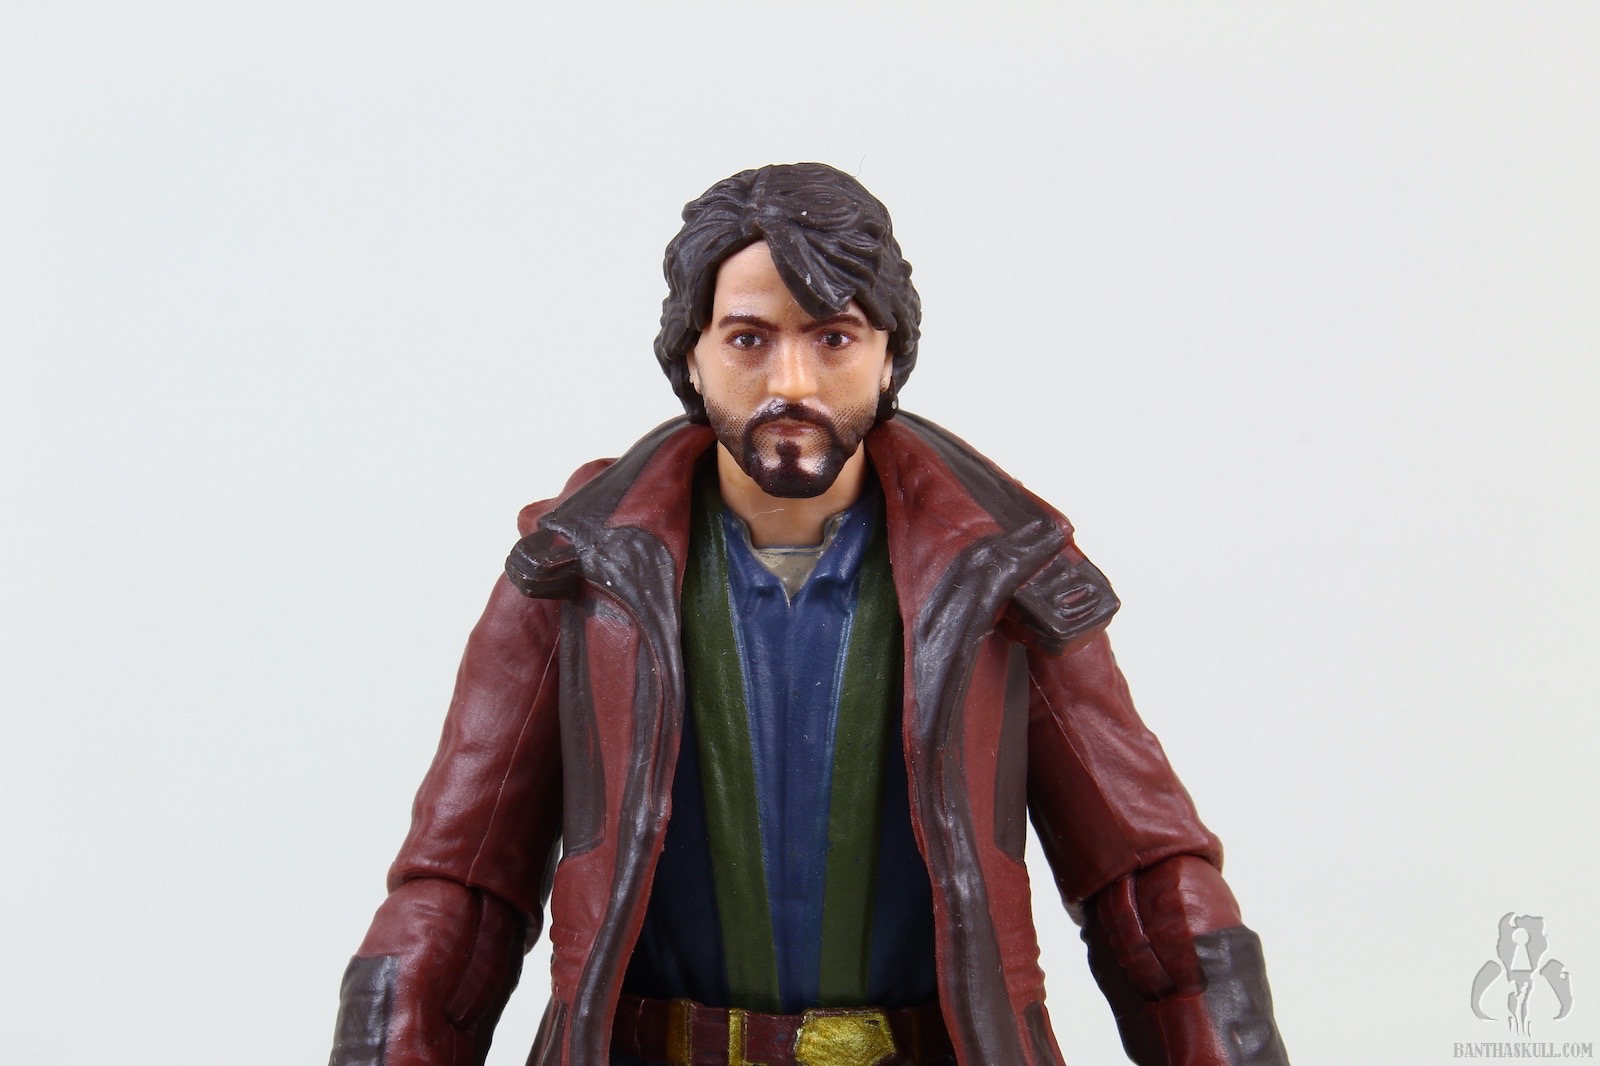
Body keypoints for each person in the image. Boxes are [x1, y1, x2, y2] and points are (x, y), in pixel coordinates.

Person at [330, 163, 1290, 1066]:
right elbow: (461, 888)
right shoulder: (576, 577)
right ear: (691, 354)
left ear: (889, 354)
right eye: (749, 338)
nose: (791, 381)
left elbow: (1145, 884)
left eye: (833, 337)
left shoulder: (1006, 577)